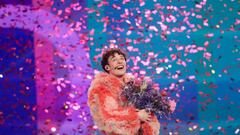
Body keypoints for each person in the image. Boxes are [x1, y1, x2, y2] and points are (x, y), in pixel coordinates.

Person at [88, 48, 176, 135]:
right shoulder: (101, 87)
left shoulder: (134, 85)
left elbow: (145, 109)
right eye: (114, 59)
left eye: (122, 58)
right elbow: (107, 119)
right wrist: (136, 116)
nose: (120, 62)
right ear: (107, 67)